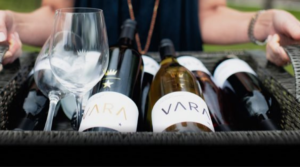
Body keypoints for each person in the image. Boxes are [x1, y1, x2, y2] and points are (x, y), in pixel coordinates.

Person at [0, 0, 299, 66]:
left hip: (179, 87)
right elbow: (58, 15)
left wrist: (267, 23)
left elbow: (207, 15)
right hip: (90, 92)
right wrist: (16, 24)